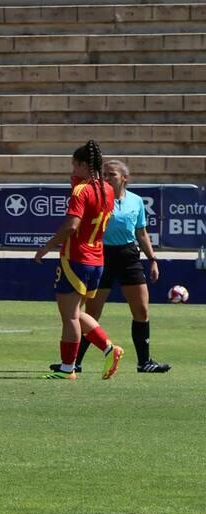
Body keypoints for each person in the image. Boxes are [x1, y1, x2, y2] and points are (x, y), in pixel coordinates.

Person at [54, 159, 169, 374]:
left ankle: (144, 362)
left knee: (141, 309)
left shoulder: (135, 201)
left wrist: (152, 259)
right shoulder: (99, 197)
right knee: (92, 311)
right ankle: (75, 361)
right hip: (101, 254)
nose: (106, 178)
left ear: (124, 178)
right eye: (104, 174)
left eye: (111, 175)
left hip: (128, 255)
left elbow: (141, 233)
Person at [34, 140, 124, 380]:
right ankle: (108, 348)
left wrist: (46, 247)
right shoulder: (107, 189)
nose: (72, 170)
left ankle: (67, 368)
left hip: (76, 257)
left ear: (84, 165)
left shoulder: (81, 191)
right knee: (76, 312)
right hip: (96, 259)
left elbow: (72, 226)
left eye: (75, 165)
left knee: (70, 316)